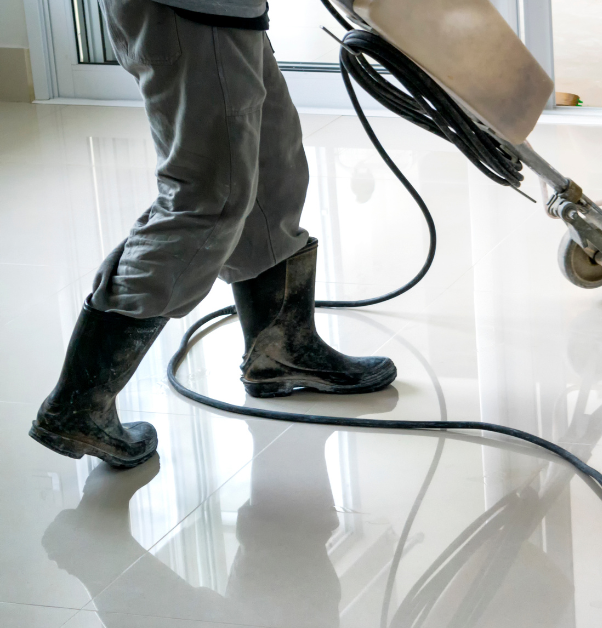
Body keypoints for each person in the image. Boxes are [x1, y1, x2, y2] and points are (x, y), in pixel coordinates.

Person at [28, 0, 396, 468]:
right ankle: (80, 404)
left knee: (272, 173)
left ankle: (281, 350)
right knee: (206, 199)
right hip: (190, 12)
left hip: (228, 12)